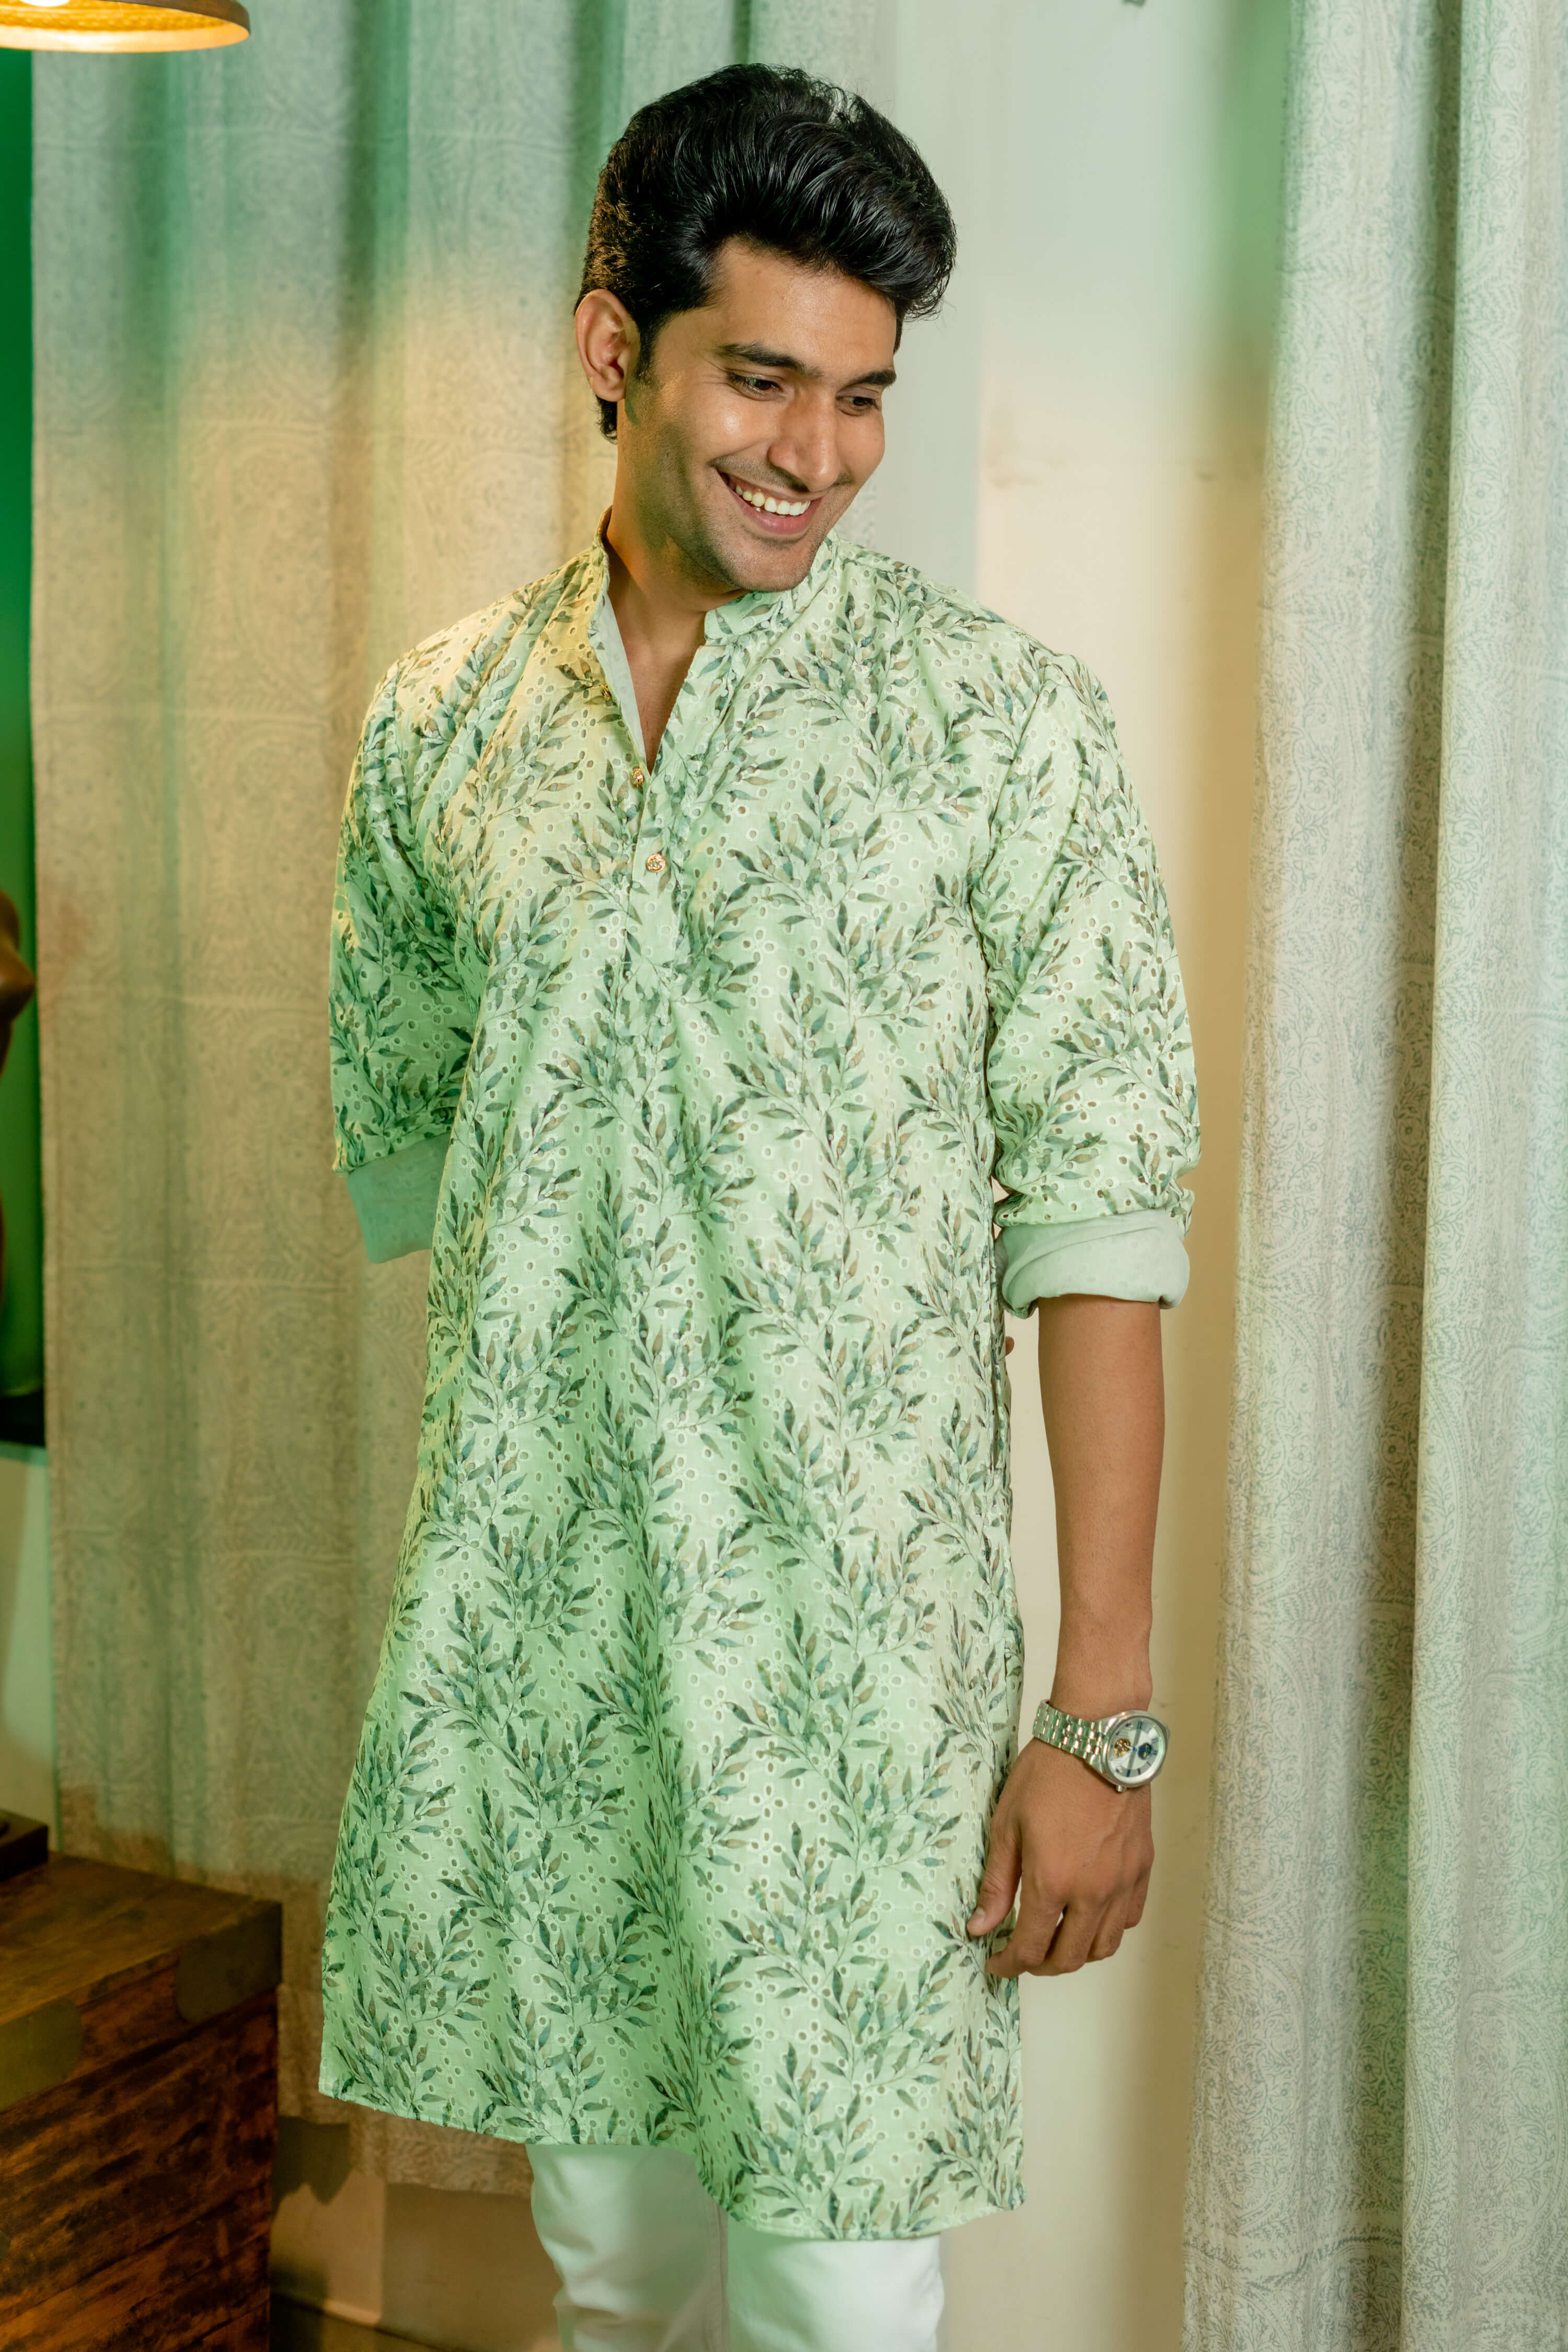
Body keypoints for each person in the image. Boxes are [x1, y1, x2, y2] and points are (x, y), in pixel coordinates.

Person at [321, 62, 1198, 2352]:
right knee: (613, 2283)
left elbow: (1102, 1226)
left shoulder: (1005, 731)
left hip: (856, 1695)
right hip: (555, 1663)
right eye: (765, 381)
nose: (819, 456)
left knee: (839, 2295)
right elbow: (443, 1187)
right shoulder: (438, 732)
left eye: (871, 398)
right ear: (613, 345)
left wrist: (1102, 1717)